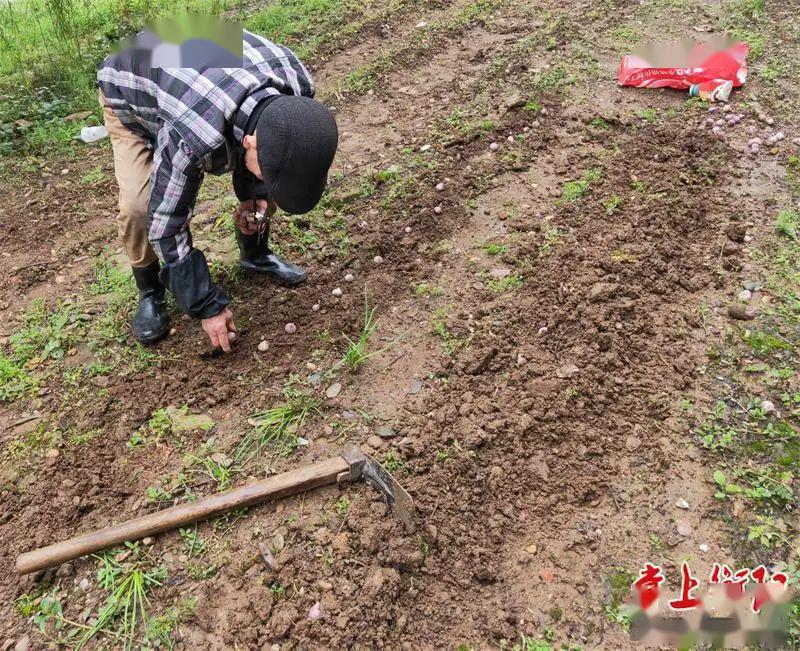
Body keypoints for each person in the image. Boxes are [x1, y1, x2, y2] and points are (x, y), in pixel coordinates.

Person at [97, 27, 338, 352]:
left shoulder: (296, 84)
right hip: (130, 81)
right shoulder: (196, 132)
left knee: (265, 178)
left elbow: (284, 151)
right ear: (248, 142)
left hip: (198, 56)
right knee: (139, 208)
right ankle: (150, 291)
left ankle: (254, 254)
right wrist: (204, 304)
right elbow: (167, 224)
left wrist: (262, 192)